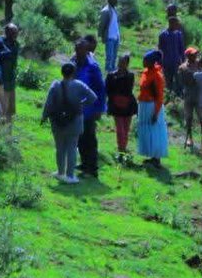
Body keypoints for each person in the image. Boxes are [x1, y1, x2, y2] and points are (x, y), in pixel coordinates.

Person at [41, 62, 98, 184]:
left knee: (60, 147)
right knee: (72, 147)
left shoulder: (55, 85)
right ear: (73, 72)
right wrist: (81, 104)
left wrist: (44, 116)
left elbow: (48, 103)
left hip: (57, 121)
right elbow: (93, 97)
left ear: (62, 72)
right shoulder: (79, 85)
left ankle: (60, 172)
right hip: (75, 120)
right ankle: (70, 175)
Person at [71, 38, 106, 179]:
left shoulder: (92, 67)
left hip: (90, 109)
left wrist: (100, 109)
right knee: (80, 137)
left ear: (86, 51)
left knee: (89, 138)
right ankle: (84, 163)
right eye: (77, 48)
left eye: (81, 49)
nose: (78, 51)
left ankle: (92, 168)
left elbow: (101, 89)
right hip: (76, 108)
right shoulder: (73, 63)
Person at [136, 50, 169, 169]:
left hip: (152, 106)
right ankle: (151, 156)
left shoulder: (157, 76)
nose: (143, 62)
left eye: (145, 60)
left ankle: (156, 158)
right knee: (147, 129)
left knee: (154, 130)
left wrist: (156, 112)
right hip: (144, 104)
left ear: (151, 62)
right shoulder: (146, 73)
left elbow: (159, 96)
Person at [105, 53, 137, 156]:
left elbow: (128, 89)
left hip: (128, 104)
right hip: (116, 105)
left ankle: (124, 148)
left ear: (127, 64)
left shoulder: (130, 75)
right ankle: (121, 149)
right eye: (119, 62)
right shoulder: (111, 75)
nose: (120, 64)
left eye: (123, 62)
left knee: (126, 129)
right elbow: (108, 90)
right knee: (120, 128)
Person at [0, 23, 20, 124]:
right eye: (13, 32)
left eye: (16, 33)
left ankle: (9, 135)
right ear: (7, 32)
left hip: (11, 80)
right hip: (1, 80)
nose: (15, 35)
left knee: (10, 109)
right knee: (1, 109)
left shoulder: (16, 44)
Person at [158, 17, 186, 93]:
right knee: (168, 82)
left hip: (176, 62)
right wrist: (159, 63)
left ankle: (178, 98)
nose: (177, 26)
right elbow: (160, 50)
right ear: (171, 23)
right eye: (176, 24)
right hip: (166, 63)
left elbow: (181, 49)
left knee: (179, 82)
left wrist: (183, 61)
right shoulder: (163, 35)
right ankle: (169, 97)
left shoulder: (178, 34)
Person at [97, 0, 121, 74]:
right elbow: (102, 24)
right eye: (115, 0)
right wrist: (101, 35)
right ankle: (108, 71)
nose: (117, 2)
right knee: (109, 56)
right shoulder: (105, 11)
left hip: (116, 36)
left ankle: (113, 70)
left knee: (114, 55)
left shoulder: (114, 10)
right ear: (110, 1)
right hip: (109, 36)